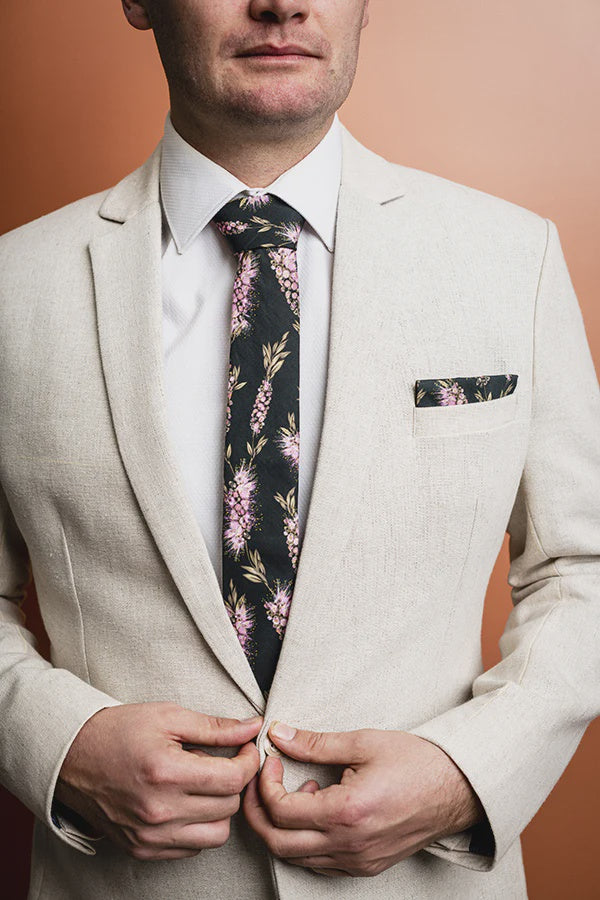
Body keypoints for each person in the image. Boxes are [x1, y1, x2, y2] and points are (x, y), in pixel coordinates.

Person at [0, 0, 598, 897]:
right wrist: (56, 744)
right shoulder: (15, 288)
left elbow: (584, 564)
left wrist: (465, 774)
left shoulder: (513, 258)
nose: (280, 3)